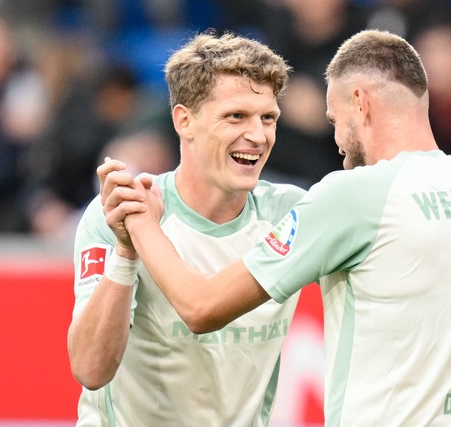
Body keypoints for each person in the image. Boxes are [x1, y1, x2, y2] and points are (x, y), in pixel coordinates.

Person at [101, 29, 451, 425]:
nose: (338, 142)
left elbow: (200, 307)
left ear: (361, 103)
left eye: (333, 120)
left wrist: (140, 223)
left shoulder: (357, 195)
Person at [67, 32, 307, 426]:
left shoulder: (292, 213)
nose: (259, 136)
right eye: (236, 116)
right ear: (184, 120)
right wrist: (127, 252)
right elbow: (91, 370)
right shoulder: (122, 210)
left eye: (268, 118)